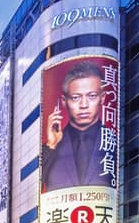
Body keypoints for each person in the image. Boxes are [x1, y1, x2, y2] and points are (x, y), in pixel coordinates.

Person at [41, 60, 115, 191]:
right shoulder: (51, 147)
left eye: (92, 96)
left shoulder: (113, 143)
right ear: (64, 101)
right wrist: (51, 145)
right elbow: (33, 185)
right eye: (76, 97)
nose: (84, 105)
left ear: (102, 98)